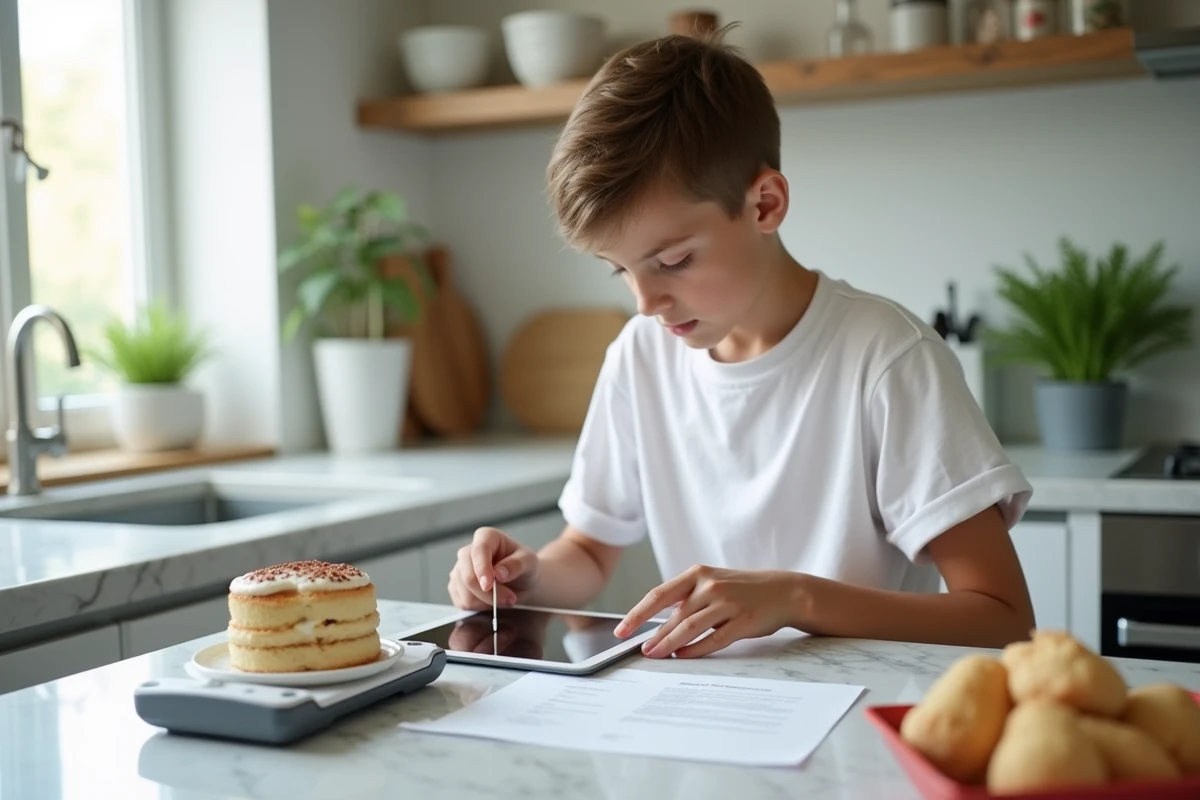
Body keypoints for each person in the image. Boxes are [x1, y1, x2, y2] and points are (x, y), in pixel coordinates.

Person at [447, 29, 1035, 659]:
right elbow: (589, 550)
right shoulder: (640, 355)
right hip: (705, 726)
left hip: (862, 726)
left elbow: (1003, 619)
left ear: (765, 204)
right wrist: (524, 577)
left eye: (673, 260)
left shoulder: (887, 360)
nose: (645, 303)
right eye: (621, 271)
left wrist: (796, 599)